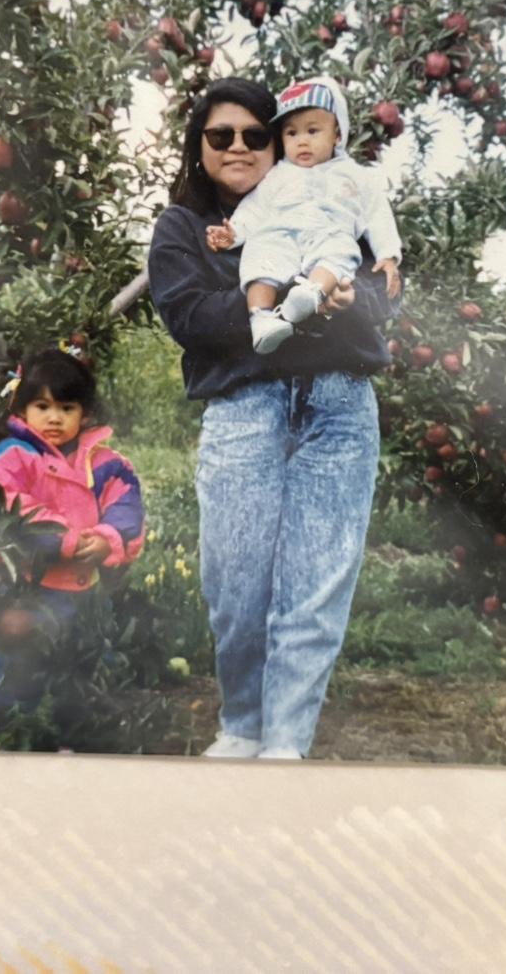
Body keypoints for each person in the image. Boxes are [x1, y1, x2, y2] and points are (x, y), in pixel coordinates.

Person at [147, 77, 393, 761]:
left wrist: (344, 300)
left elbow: (382, 302)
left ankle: (285, 748)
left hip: (339, 408)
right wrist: (292, 295)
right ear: (198, 148)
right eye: (219, 136)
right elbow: (188, 318)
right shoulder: (184, 229)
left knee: (314, 590)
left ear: (285, 138)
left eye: (258, 134)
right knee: (236, 587)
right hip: (244, 411)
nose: (239, 147)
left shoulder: (338, 201)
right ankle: (244, 725)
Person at [0, 344, 146, 727]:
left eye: (67, 408)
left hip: (87, 589)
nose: (55, 418)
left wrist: (108, 539)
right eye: (43, 407)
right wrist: (65, 540)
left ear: (84, 414)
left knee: (79, 660)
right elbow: (11, 507)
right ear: (21, 410)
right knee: (19, 658)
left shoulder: (106, 463)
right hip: (30, 586)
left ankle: (68, 731)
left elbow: (127, 506)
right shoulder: (11, 456)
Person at [206, 75, 401, 353]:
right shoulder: (278, 174)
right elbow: (255, 207)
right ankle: (261, 319)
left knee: (339, 252)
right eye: (291, 133)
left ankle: (310, 294)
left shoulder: (357, 176)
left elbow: (377, 213)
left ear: (337, 134)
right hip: (279, 232)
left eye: (313, 131)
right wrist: (233, 233)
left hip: (329, 230)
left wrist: (388, 255)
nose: (302, 142)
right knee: (259, 256)